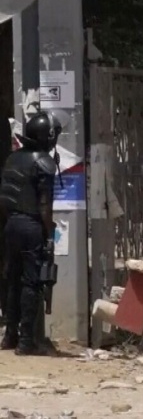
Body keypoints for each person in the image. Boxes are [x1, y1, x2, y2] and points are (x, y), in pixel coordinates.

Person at [1, 112, 60, 355]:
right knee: (31, 282)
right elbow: (45, 204)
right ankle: (27, 342)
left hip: (11, 225)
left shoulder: (13, 159)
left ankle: (9, 336)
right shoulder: (44, 162)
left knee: (12, 279)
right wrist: (50, 229)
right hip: (32, 226)